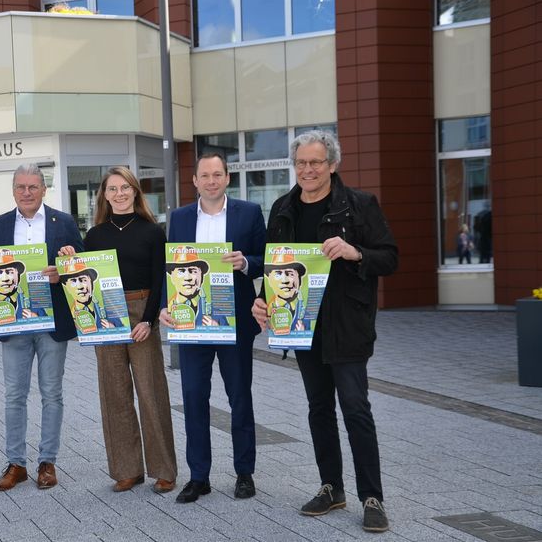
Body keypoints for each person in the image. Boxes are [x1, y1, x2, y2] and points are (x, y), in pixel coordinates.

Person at [251, 130, 397, 533]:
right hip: (300, 325)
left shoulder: (359, 206)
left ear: (332, 164)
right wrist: (261, 299)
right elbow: (272, 265)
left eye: (316, 162)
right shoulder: (283, 208)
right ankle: (331, 487)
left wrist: (355, 253)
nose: (308, 170)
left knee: (355, 409)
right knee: (319, 409)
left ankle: (372, 496)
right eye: (301, 163)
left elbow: (389, 257)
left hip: (347, 324)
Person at [158, 153, 266, 503]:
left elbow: (267, 258)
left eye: (217, 174)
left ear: (227, 179)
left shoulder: (248, 213)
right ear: (195, 181)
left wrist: (247, 262)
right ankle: (199, 476)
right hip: (191, 324)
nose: (211, 181)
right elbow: (171, 264)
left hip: (235, 322)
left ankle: (244, 473)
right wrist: (164, 305)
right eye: (205, 175)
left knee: (240, 398)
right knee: (192, 398)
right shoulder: (180, 217)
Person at [62, 166, 177, 494]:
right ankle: (127, 469)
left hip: (142, 312)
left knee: (150, 392)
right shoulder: (96, 235)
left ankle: (163, 469)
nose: (119, 194)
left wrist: (149, 321)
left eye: (125, 187)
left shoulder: (153, 231)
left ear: (135, 191)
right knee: (114, 393)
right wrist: (71, 255)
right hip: (106, 315)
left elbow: (160, 280)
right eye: (112, 189)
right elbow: (84, 276)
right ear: (105, 195)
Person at [0, 164, 83, 491]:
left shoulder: (63, 222)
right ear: (13, 190)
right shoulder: (0, 225)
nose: (26, 192)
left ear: (43, 189)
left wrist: (66, 265)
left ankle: (47, 462)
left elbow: (81, 265)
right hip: (15, 322)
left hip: (53, 322)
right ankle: (16, 464)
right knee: (14, 395)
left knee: (52, 393)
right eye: (21, 186)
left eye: (33, 186)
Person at [165, 248, 228, 327]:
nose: (187, 278)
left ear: (201, 277)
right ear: (172, 277)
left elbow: (228, 333)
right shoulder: (167, 310)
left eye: (193, 271)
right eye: (181, 271)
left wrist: (217, 329)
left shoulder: (217, 314)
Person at [59, 261, 123, 331]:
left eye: (83, 280)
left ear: (91, 283)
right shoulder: (68, 312)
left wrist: (112, 328)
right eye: (73, 281)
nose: (80, 286)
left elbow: (121, 327)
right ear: (67, 288)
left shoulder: (105, 307)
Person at [0, 250, 44, 321]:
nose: (5, 278)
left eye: (10, 272)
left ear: (18, 277)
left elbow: (46, 320)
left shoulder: (32, 303)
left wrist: (35, 318)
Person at [264, 248, 309, 332]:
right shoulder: (268, 307)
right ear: (270, 280)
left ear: (299, 280)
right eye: (278, 274)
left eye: (290, 274)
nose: (285, 280)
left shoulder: (305, 308)